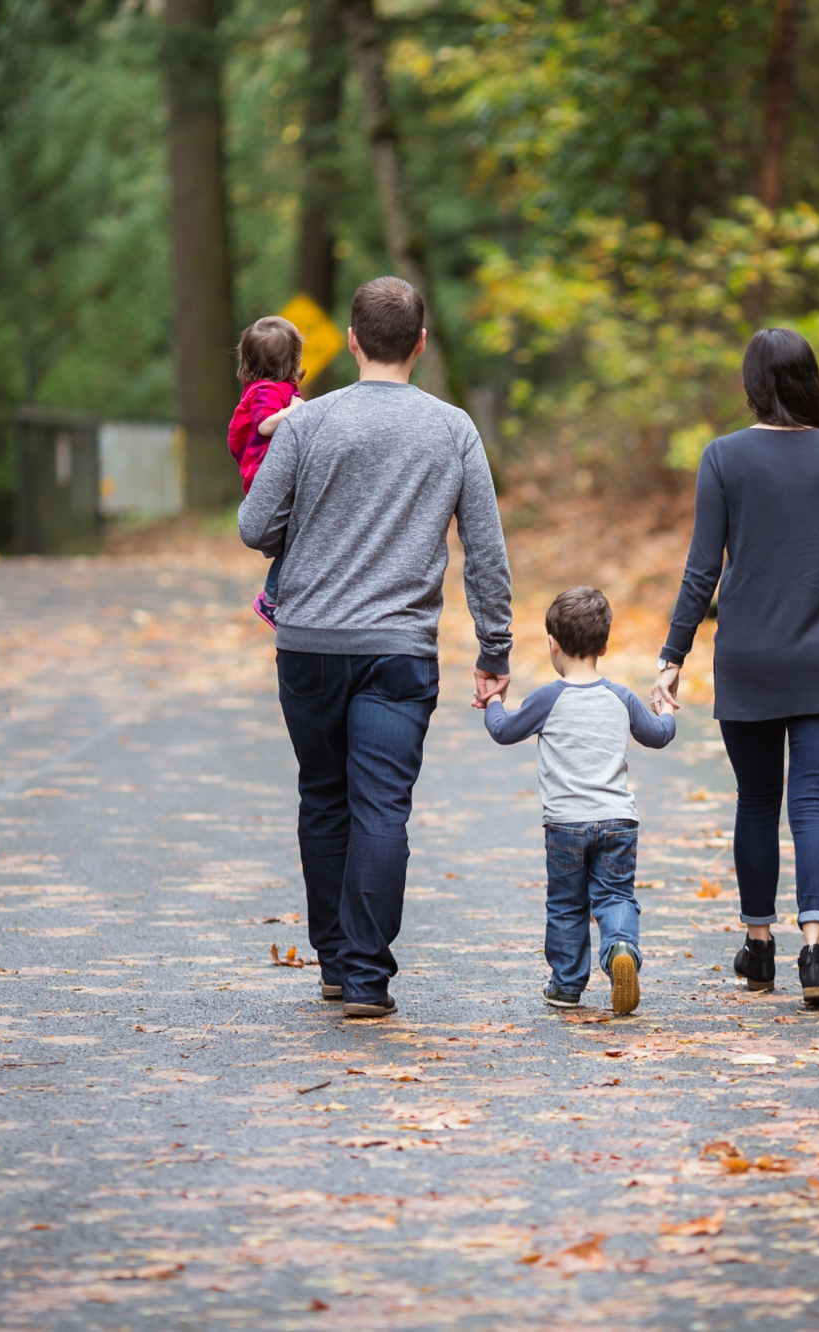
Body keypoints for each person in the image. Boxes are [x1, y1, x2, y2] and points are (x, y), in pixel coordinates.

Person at [238, 277, 512, 1019]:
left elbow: (256, 527)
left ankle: (333, 963)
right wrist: (495, 649)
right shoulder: (453, 428)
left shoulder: (306, 422)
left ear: (353, 341)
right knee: (382, 807)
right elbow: (484, 550)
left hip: (309, 646)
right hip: (399, 650)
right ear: (420, 344)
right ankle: (365, 978)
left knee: (324, 796)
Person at [652, 328, 819, 1011]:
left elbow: (702, 569)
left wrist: (673, 655)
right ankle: (815, 950)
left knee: (757, 799)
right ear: (810, 381)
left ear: (751, 385)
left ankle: (759, 947)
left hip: (749, 657)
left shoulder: (723, 457)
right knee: (814, 802)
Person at [484, 587, 676, 1016]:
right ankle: (620, 948)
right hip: (618, 821)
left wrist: (493, 699)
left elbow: (502, 730)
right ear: (604, 646)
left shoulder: (548, 698)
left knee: (567, 905)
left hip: (565, 825)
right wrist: (666, 709)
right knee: (616, 896)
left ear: (552, 643)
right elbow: (659, 736)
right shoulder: (622, 697)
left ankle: (567, 985)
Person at [227, 316, 307, 627]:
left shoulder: (277, 388)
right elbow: (263, 424)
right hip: (265, 474)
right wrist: (292, 411)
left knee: (299, 533)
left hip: (271, 471)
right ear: (289, 360)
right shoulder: (265, 390)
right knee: (300, 530)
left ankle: (282, 594)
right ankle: (271, 596)